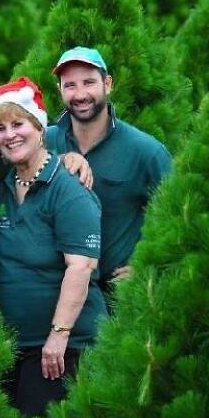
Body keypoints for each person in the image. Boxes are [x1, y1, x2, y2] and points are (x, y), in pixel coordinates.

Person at [0, 77, 107, 417]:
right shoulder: (3, 187)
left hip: (62, 350)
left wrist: (58, 334)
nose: (10, 134)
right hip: (12, 348)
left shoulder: (67, 187)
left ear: (40, 127)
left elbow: (81, 266)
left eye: (18, 124)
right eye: (0, 128)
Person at [47, 46, 172, 302]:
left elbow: (177, 215)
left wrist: (148, 266)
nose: (80, 94)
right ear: (60, 90)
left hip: (116, 300)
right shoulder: (43, 143)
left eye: (89, 83)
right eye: (69, 85)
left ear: (108, 84)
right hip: (54, 294)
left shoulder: (145, 151)